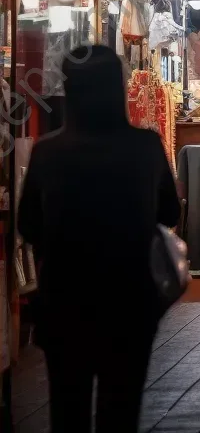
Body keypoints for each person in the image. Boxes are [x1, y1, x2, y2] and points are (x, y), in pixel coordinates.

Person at [18, 45, 179, 432]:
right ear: (118, 88)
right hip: (130, 299)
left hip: (64, 299)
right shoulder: (145, 146)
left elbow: (27, 224)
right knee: (120, 409)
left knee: (67, 410)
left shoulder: (48, 151)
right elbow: (170, 213)